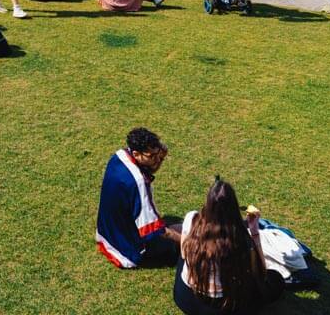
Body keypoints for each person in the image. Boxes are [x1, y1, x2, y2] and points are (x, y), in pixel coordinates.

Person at [174, 178, 285, 315]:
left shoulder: (191, 219)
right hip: (221, 308)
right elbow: (260, 272)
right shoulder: (239, 239)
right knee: (275, 280)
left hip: (185, 297)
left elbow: (184, 254)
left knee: (182, 259)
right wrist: (254, 232)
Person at [96, 128, 180, 269]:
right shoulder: (138, 183)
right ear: (136, 154)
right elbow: (154, 230)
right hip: (126, 251)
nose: (156, 159)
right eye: (152, 156)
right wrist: (186, 242)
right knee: (181, 231)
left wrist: (159, 158)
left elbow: (148, 170)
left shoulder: (119, 156)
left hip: (107, 234)